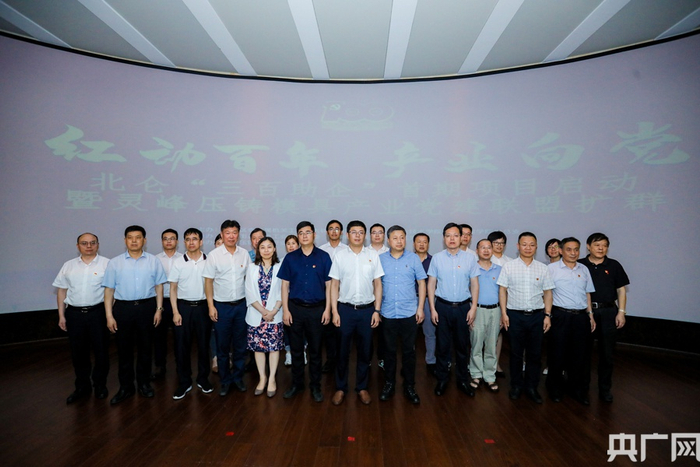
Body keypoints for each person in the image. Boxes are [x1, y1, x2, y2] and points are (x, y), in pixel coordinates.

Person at [103, 225, 167, 405]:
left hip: (147, 308)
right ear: (125, 240)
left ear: (144, 240)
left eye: (138, 237)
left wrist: (159, 309)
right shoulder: (115, 262)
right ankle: (126, 387)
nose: (134, 240)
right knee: (124, 350)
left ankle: (144, 384)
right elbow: (109, 291)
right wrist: (109, 315)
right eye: (130, 237)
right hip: (123, 309)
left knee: (146, 348)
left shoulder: (153, 261)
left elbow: (159, 286)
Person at [329, 220, 384, 406]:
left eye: (361, 232)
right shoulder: (340, 256)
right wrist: (334, 311)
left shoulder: (372, 255)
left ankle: (362, 387)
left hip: (367, 310)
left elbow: (378, 284)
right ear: (347, 235)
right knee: (342, 351)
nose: (358, 235)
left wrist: (377, 310)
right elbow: (334, 285)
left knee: (365, 351)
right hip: (345, 310)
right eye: (354, 232)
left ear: (365, 235)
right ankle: (340, 387)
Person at [278, 221, 333, 402]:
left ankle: (315, 386)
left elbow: (329, 286)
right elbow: (284, 286)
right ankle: (297, 384)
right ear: (298, 236)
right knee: (296, 350)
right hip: (295, 309)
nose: (304, 236)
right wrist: (285, 310)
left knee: (316, 351)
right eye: (301, 233)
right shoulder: (290, 258)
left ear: (314, 235)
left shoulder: (324, 257)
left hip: (317, 310)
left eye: (307, 232)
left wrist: (328, 310)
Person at [53, 233, 110, 404]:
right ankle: (82, 386)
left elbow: (112, 291)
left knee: (101, 351)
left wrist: (110, 314)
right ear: (78, 246)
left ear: (98, 244)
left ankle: (100, 385)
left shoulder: (107, 264)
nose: (89, 246)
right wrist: (61, 315)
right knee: (78, 352)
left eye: (92, 243)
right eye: (84, 243)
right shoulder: (68, 265)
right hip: (74, 314)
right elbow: (62, 290)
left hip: (98, 313)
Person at [498, 232, 554, 404]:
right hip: (515, 315)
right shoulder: (509, 266)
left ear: (536, 247)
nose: (528, 248)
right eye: (524, 244)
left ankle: (531, 387)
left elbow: (548, 293)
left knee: (535, 354)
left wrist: (547, 315)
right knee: (515, 353)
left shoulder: (543, 268)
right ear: (518, 246)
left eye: (531, 244)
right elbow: (502, 290)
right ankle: (516, 386)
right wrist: (504, 313)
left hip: (537, 316)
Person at [427, 223, 480, 397]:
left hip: (463, 307)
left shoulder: (470, 258)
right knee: (442, 346)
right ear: (444, 238)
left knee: (462, 346)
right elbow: (431, 284)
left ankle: (462, 380)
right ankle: (442, 379)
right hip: (442, 306)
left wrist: (473, 307)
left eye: (456, 235)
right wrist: (432, 308)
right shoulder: (437, 258)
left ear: (461, 237)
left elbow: (474, 284)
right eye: (448, 235)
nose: (452, 239)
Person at [579, 232, 629, 403]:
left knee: (607, 354)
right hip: (586, 313)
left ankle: (605, 389)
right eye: (597, 245)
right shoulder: (580, 265)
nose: (601, 248)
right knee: (583, 353)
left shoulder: (614, 265)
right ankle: (582, 388)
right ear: (588, 246)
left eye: (604, 245)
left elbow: (621, 290)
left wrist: (621, 311)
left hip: (608, 312)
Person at [378, 225, 426, 404]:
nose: (399, 241)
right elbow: (377, 285)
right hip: (388, 313)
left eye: (402, 237)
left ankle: (409, 386)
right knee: (389, 352)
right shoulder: (381, 259)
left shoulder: (413, 258)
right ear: (388, 240)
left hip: (409, 313)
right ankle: (389, 384)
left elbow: (422, 283)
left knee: (409, 352)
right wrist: (377, 309)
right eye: (395, 238)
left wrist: (420, 308)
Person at [203, 220, 250, 396]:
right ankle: (225, 380)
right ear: (222, 234)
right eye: (228, 233)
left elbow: (248, 280)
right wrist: (211, 306)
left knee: (240, 345)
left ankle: (238, 378)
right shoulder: (214, 255)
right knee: (222, 346)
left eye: (234, 232)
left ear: (239, 234)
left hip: (241, 306)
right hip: (221, 307)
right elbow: (208, 282)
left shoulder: (244, 254)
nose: (231, 236)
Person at [546, 237, 596, 405]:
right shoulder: (551, 269)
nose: (573, 253)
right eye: (569, 249)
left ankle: (576, 389)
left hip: (581, 317)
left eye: (576, 249)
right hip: (560, 315)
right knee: (557, 354)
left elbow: (587, 293)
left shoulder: (584, 269)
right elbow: (546, 293)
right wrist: (547, 315)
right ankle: (554, 388)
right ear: (561, 251)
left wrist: (590, 314)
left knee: (579, 355)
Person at [169, 228, 212, 400]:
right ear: (184, 242)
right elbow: (173, 288)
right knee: (181, 347)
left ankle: (203, 379)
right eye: (188, 239)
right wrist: (175, 311)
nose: (191, 242)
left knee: (204, 345)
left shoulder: (209, 260)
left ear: (201, 242)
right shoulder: (178, 262)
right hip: (183, 308)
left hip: (203, 307)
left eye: (195, 239)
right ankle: (184, 382)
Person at [245, 237, 284, 398]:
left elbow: (283, 291)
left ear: (274, 249)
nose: (266, 250)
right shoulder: (251, 267)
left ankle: (272, 378)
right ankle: (262, 378)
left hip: (275, 314)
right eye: (262, 247)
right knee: (258, 348)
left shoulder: (280, 267)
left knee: (274, 348)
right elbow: (249, 291)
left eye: (269, 247)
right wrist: (263, 311)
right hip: (257, 314)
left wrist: (273, 311)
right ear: (258, 250)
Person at [469, 239, 502, 393]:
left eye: (489, 247)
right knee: (476, 343)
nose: (486, 250)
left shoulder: (500, 269)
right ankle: (476, 374)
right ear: (477, 250)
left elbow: (503, 293)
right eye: (483, 247)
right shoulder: (472, 268)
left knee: (491, 345)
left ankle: (490, 375)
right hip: (477, 310)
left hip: (495, 310)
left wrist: (503, 313)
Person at [318, 219, 348, 374]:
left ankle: (342, 360)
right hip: (325, 296)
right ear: (327, 232)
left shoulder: (347, 250)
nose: (334, 231)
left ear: (341, 232)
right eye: (331, 228)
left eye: (337, 229)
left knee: (342, 331)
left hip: (343, 296)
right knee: (328, 331)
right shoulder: (321, 251)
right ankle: (331, 360)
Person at [153, 228, 183, 380]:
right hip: (161, 302)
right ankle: (160, 366)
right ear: (162, 241)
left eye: (172, 238)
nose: (169, 241)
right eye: (166, 238)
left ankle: (180, 366)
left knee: (180, 336)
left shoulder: (183, 258)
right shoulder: (155, 259)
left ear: (177, 241)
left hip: (179, 302)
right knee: (159, 336)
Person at [487, 230, 512, 378]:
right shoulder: (483, 259)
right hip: (485, 303)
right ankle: (482, 364)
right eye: (496, 243)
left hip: (503, 303)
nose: (499, 245)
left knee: (498, 333)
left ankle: (496, 364)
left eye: (502, 243)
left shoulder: (510, 262)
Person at [414, 233, 435, 376]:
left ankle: (431, 361)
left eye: (425, 242)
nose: (422, 244)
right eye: (419, 242)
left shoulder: (434, 261)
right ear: (414, 244)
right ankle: (410, 361)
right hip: (410, 300)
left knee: (430, 333)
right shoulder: (408, 259)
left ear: (428, 244)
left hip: (428, 300)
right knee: (410, 334)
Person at [282, 234, 300, 367]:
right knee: (288, 328)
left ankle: (302, 351)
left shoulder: (303, 259)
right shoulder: (283, 261)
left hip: (298, 300)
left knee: (300, 329)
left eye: (293, 243)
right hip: (285, 300)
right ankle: (288, 352)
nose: (291, 246)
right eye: (288, 244)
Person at [210, 234, 223, 373]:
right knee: (214, 331)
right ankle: (215, 356)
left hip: (228, 301)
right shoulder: (210, 259)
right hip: (212, 300)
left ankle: (227, 356)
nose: (221, 246)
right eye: (218, 243)